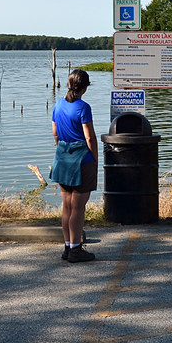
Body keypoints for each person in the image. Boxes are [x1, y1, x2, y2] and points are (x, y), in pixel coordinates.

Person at [50, 69, 98, 263]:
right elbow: (89, 137)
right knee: (78, 208)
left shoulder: (58, 104)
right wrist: (94, 158)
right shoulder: (83, 107)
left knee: (67, 206)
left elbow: (55, 132)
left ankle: (68, 247)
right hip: (81, 160)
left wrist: (62, 149)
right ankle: (76, 249)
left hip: (62, 158)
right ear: (85, 88)